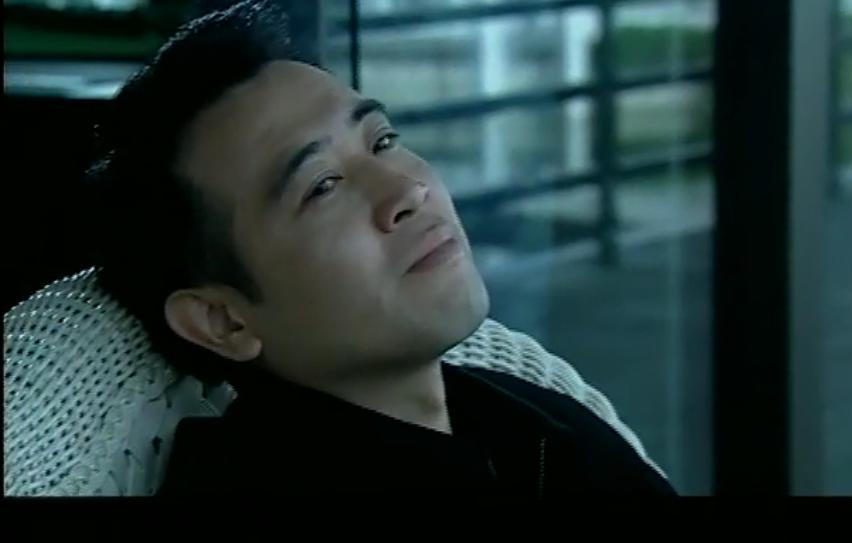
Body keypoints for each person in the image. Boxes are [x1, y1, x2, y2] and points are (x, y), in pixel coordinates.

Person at [87, 0, 677, 496]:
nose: (407, 190)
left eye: (383, 141)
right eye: (321, 186)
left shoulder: (532, 422)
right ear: (223, 320)